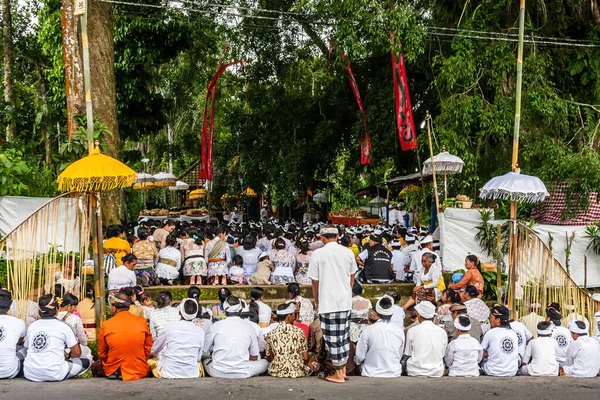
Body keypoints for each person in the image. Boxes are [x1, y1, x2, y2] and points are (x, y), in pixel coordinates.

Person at [308, 226, 358, 384]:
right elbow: (352, 276)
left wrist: (317, 300)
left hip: (328, 302)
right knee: (343, 337)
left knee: (332, 339)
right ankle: (341, 371)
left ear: (322, 238)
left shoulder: (318, 254)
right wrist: (346, 292)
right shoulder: (348, 252)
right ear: (337, 236)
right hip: (344, 301)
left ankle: (338, 375)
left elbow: (314, 282)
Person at [24, 294, 91, 382]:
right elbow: (77, 353)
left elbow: (27, 349)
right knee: (87, 361)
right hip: (56, 374)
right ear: (56, 310)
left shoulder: (32, 326)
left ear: (39, 311)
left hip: (30, 374)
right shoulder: (64, 326)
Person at [203, 296, 269, 378]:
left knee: (205, 360)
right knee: (265, 363)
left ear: (224, 310)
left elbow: (204, 350)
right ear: (241, 310)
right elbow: (254, 356)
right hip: (243, 372)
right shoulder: (249, 327)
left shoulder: (215, 326)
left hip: (217, 371)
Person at [93, 292, 153, 381]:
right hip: (137, 368)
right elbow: (148, 348)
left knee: (95, 366)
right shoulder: (142, 322)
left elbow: (102, 353)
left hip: (114, 369)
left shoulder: (106, 324)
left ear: (114, 308)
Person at [150, 298, 205, 379]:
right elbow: (198, 357)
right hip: (191, 373)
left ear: (180, 312)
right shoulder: (200, 331)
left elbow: (154, 350)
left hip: (169, 373)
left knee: (151, 362)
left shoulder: (170, 328)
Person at [355, 296, 405, 378]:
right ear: (392, 314)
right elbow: (399, 354)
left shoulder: (368, 330)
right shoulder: (399, 331)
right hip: (394, 372)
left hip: (370, 372)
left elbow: (359, 357)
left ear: (377, 313)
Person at [404, 301, 448, 377]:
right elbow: (443, 354)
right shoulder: (442, 331)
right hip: (437, 371)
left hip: (415, 371)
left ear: (419, 315)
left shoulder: (412, 331)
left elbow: (408, 353)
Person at [265, 302, 309, 378]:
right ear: (288, 316)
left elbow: (268, 357)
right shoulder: (299, 331)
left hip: (276, 372)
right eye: (293, 315)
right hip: (297, 372)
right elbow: (305, 358)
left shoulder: (271, 333)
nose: (294, 317)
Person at [480, 305, 519, 377]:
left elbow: (480, 352)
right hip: (512, 371)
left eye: (491, 317)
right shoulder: (513, 333)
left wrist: (489, 353)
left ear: (498, 320)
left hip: (492, 371)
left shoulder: (490, 332)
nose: (490, 320)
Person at [0, 289, 27, 379]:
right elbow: (19, 340)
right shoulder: (18, 322)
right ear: (10, 305)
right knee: (25, 348)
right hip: (9, 371)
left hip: (9, 370)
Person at [57, 293, 90, 358]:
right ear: (69, 306)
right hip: (70, 351)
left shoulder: (54, 317)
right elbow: (82, 338)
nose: (76, 309)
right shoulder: (75, 318)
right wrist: (85, 344)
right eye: (75, 306)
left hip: (56, 350)